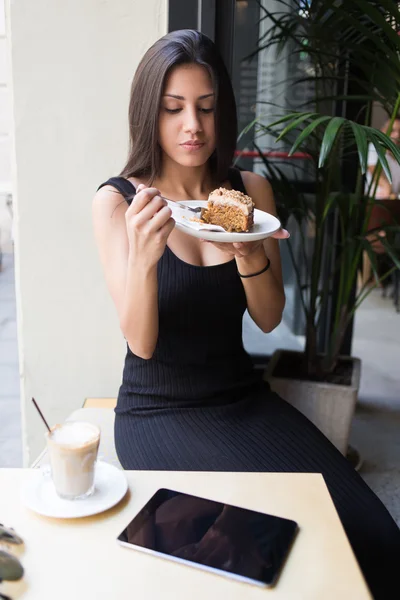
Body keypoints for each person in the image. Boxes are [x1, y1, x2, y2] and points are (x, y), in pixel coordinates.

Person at [93, 29, 400, 599]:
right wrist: (142, 261)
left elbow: (267, 317)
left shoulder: (249, 190)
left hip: (242, 399)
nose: (194, 126)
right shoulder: (120, 202)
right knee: (259, 553)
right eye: (174, 108)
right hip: (159, 412)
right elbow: (141, 343)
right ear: (148, 113)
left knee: (373, 534)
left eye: (207, 108)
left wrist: (250, 252)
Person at [367, 116, 400, 199]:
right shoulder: (374, 148)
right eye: (392, 130)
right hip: (374, 203)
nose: (397, 135)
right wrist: (387, 188)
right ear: (382, 131)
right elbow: (373, 170)